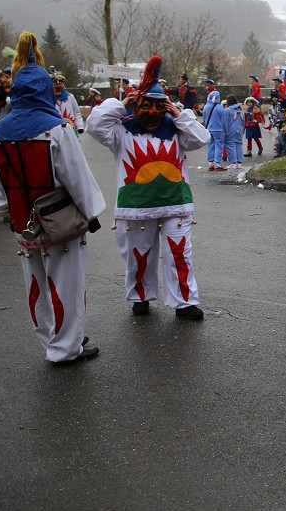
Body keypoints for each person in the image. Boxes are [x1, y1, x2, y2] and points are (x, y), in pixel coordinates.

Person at [0, 33, 106, 363]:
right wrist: (92, 211)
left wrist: (8, 211)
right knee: (66, 285)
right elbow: (78, 179)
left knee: (37, 287)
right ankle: (66, 348)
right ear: (44, 89)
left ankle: (50, 341)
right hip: (61, 223)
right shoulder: (57, 129)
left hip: (21, 223)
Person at [87, 54, 210, 320]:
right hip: (136, 208)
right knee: (139, 257)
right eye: (145, 106)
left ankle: (184, 302)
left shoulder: (177, 129)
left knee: (180, 255)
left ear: (166, 106)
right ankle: (140, 297)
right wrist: (122, 104)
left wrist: (178, 113)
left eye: (158, 107)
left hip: (176, 203)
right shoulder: (120, 131)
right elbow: (93, 125)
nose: (152, 113)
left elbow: (202, 138)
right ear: (135, 105)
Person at [201, 86, 226, 171]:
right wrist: (225, 131)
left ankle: (210, 163)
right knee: (219, 146)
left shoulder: (206, 107)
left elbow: (204, 119)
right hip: (218, 129)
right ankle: (218, 164)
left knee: (211, 145)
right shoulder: (220, 108)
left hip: (209, 129)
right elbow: (223, 121)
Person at [221, 94, 244, 168]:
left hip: (231, 129)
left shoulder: (227, 110)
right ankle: (239, 162)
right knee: (239, 145)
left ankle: (233, 162)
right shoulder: (240, 109)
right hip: (240, 128)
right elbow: (243, 120)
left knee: (230, 145)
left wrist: (224, 132)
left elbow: (225, 123)